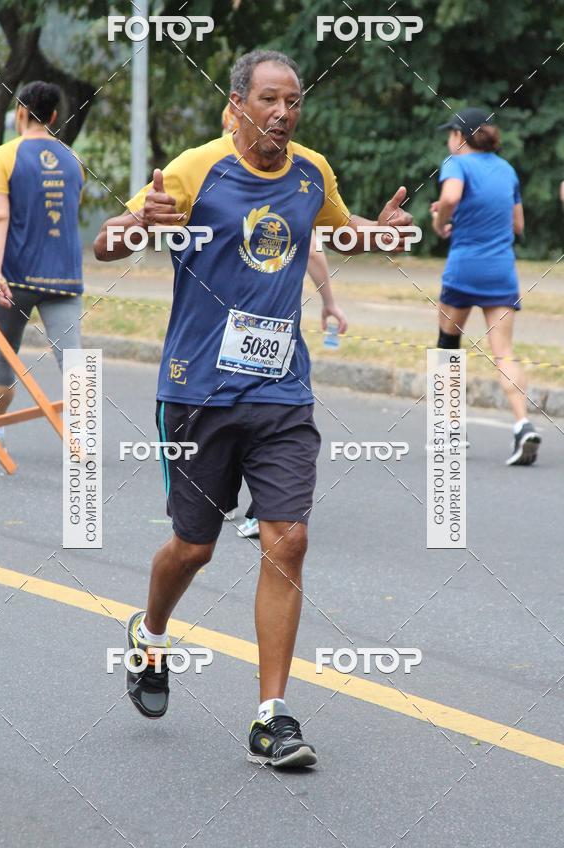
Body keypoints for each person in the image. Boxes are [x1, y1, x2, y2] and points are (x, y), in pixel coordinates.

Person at [94, 49, 413, 768]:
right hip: (197, 391)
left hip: (280, 391)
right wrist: (139, 222)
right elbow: (108, 243)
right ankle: (150, 634)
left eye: (293, 101)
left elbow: (341, 227)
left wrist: (382, 232)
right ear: (237, 104)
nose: (282, 112)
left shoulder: (311, 172)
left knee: (288, 541)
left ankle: (273, 716)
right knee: (194, 547)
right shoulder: (196, 168)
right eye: (269, 99)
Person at [222, 102, 347, 539]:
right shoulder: (208, 173)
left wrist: (329, 302)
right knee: (193, 544)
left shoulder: (299, 174)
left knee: (277, 420)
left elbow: (313, 245)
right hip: (214, 354)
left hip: (275, 342)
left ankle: (265, 506)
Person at [0, 81, 84, 455]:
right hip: (64, 275)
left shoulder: (3, 156)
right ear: (53, 116)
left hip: (15, 276)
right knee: (73, 357)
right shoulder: (73, 159)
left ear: (20, 111)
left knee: (3, 355)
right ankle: (82, 438)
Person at [431, 107, 540, 466]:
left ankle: (449, 431)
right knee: (504, 352)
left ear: (459, 137)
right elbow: (518, 226)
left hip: (464, 268)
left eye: (450, 134)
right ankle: (523, 424)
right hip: (500, 271)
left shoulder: (456, 163)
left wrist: (441, 221)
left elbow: (450, 198)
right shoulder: (506, 169)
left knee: (448, 344)